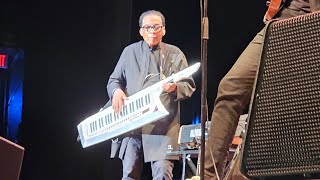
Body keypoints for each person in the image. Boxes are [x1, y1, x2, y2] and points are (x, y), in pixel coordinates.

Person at [204, 0, 320, 179]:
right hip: (280, 21)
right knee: (230, 87)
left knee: (277, 109)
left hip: (311, 21)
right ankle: (208, 175)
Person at [106, 10, 196, 180]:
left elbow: (189, 85)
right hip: (132, 125)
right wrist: (116, 92)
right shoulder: (129, 52)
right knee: (129, 174)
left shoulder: (175, 53)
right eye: (147, 27)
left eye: (156, 27)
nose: (152, 31)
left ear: (163, 30)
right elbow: (114, 80)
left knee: (162, 174)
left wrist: (174, 87)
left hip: (163, 128)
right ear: (141, 31)